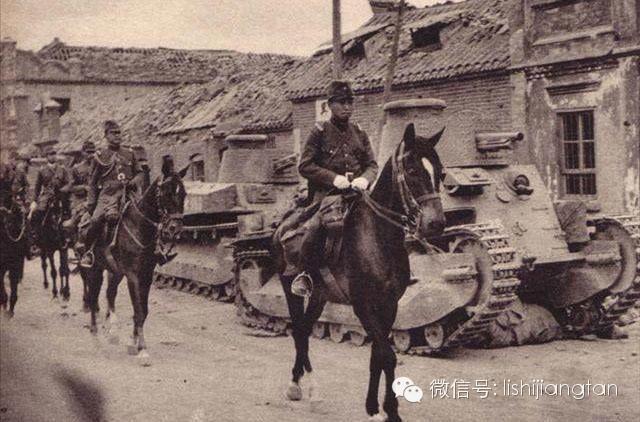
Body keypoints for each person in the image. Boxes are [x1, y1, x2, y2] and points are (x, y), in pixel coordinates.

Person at [290, 80, 378, 296]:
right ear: (330, 105)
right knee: (315, 228)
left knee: (384, 220)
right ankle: (305, 275)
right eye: (341, 102)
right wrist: (333, 178)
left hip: (358, 194)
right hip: (326, 195)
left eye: (350, 102)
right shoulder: (319, 132)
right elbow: (305, 166)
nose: (347, 107)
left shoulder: (359, 132)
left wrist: (365, 179)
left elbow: (372, 165)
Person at [77, 120, 143, 268]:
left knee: (146, 215)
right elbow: (92, 183)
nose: (117, 136)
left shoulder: (130, 153)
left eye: (119, 133)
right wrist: (91, 204)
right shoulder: (99, 156)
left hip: (129, 193)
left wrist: (133, 182)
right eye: (113, 133)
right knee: (95, 220)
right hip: (108, 195)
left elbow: (140, 173)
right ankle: (89, 252)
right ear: (106, 135)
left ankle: (156, 250)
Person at [29, 146, 70, 245]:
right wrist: (34, 200)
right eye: (50, 154)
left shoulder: (62, 169)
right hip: (46, 197)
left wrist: (63, 190)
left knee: (67, 213)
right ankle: (37, 239)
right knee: (37, 214)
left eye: (54, 154)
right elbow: (37, 187)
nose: (53, 156)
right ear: (46, 157)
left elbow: (68, 183)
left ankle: (68, 238)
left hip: (60, 196)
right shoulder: (42, 170)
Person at [62, 140, 96, 237]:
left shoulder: (101, 166)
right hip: (81, 199)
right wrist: (84, 187)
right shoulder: (76, 169)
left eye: (93, 152)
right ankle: (78, 239)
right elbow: (71, 187)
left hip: (99, 197)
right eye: (88, 152)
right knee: (79, 216)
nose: (91, 155)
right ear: (83, 153)